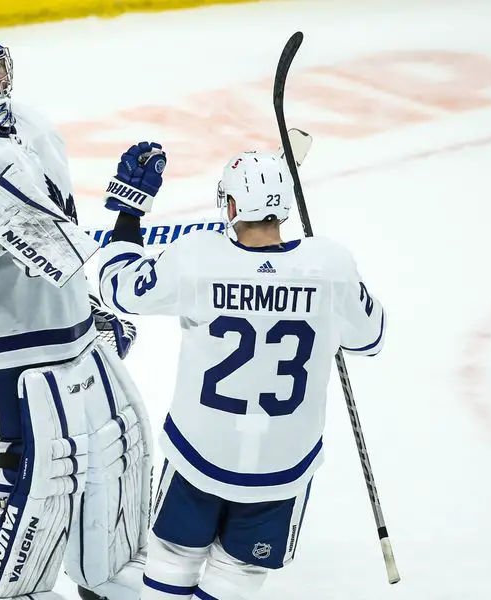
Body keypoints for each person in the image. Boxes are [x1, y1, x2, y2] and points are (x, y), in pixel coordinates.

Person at [0, 23, 155, 600]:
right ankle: (7, 585)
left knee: (94, 455)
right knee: (23, 464)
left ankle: (97, 571)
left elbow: (58, 230)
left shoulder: (35, 123)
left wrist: (85, 299)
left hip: (63, 324)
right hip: (0, 335)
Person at [96, 144, 387, 599]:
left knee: (172, 558)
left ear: (230, 205)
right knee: (239, 574)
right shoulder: (329, 265)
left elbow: (116, 288)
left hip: (199, 452)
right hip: (283, 462)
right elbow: (371, 339)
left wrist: (130, 210)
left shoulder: (196, 258)